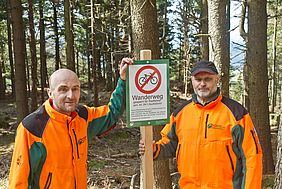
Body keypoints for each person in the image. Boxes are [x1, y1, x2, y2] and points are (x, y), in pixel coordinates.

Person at [8, 58, 133, 188]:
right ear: (50, 93)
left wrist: (122, 80)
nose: (71, 96)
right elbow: (18, 181)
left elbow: (111, 113)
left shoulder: (83, 116)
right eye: (63, 89)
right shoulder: (32, 127)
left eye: (75, 89)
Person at [139, 60, 263, 189]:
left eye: (208, 79)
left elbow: (252, 157)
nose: (202, 84)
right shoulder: (180, 113)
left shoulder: (236, 113)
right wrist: (154, 149)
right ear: (192, 81)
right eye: (198, 79)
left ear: (217, 79)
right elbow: (170, 143)